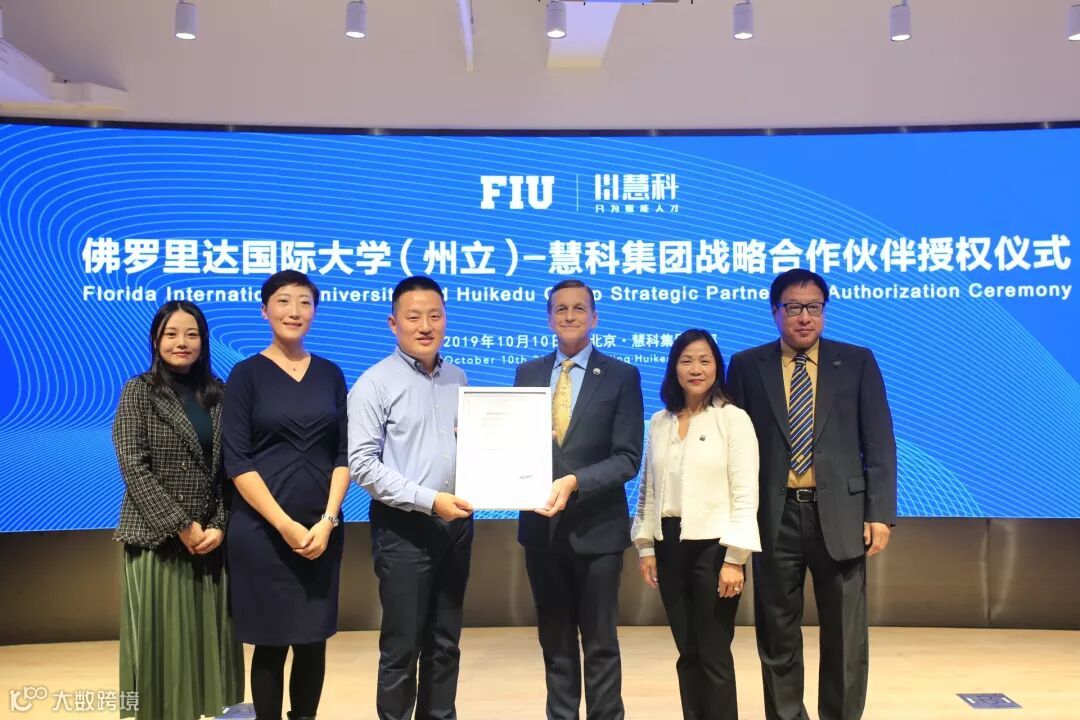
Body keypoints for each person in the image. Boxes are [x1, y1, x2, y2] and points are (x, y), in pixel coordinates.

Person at [725, 269, 897, 720]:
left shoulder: (856, 361)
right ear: (775, 311)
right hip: (774, 516)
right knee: (777, 632)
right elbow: (733, 446)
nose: (805, 317)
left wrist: (879, 512)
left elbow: (879, 442)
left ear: (824, 311)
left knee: (845, 636)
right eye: (794, 308)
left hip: (841, 516)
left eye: (814, 308)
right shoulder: (747, 366)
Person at [514, 278, 644, 720]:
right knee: (554, 641)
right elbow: (515, 445)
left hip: (598, 530)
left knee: (601, 642)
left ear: (594, 318)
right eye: (561, 309)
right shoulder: (528, 373)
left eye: (578, 308)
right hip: (541, 530)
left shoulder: (622, 375)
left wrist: (575, 481)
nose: (569, 315)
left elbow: (627, 458)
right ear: (549, 318)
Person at [222, 270, 350, 720]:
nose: (294, 311)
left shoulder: (330, 374)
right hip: (262, 533)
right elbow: (237, 461)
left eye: (305, 302)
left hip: (321, 531)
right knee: (271, 642)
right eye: (283, 301)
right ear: (264, 310)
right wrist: (284, 525)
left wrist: (327, 521)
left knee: (313, 641)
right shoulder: (245, 375)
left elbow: (344, 454)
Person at [348, 275, 473, 720]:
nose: (425, 326)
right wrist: (428, 499)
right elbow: (363, 465)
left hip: (456, 527)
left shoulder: (458, 378)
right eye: (414, 316)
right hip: (403, 530)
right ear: (393, 323)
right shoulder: (374, 383)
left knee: (446, 643)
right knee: (402, 647)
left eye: (434, 316)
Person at [112, 300, 244, 720]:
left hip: (209, 543)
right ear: (155, 340)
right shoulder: (138, 390)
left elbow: (230, 469)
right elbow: (133, 465)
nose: (181, 342)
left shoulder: (220, 393)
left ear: (204, 341)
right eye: (171, 334)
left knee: (206, 648)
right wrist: (180, 525)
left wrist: (219, 525)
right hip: (158, 540)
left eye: (192, 334)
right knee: (161, 644)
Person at [631, 329, 760, 720]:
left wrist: (735, 558)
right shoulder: (660, 421)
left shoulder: (733, 419)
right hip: (669, 544)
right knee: (687, 652)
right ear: (674, 367)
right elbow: (647, 489)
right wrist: (646, 545)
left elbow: (746, 493)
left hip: (715, 548)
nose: (696, 368)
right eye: (686, 360)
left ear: (717, 367)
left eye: (705, 360)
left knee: (713, 653)